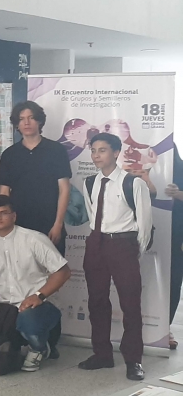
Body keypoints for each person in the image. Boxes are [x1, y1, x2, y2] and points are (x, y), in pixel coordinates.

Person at [0, 195, 70, 372]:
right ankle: (24, 342)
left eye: (3, 213)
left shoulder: (34, 239)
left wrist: (38, 295)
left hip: (40, 305)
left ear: (14, 216)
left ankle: (40, 348)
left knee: (28, 320)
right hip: (6, 307)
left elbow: (63, 272)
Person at [78, 133, 151, 381]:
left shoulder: (133, 183)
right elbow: (92, 214)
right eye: (93, 150)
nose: (96, 155)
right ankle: (102, 354)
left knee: (130, 303)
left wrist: (132, 250)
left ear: (116, 153)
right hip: (96, 243)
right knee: (97, 301)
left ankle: (133, 360)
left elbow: (144, 223)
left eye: (102, 150)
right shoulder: (89, 183)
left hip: (123, 244)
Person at [0, 101, 72, 254]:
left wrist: (58, 224)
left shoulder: (56, 150)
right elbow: (4, 193)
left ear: (39, 121)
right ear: (17, 124)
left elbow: (64, 190)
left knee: (53, 267)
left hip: (50, 223)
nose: (26, 122)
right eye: (21, 119)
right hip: (19, 224)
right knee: (20, 267)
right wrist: (6, 225)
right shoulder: (9, 154)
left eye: (31, 117)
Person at [168, 146, 183, 350]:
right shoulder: (141, 168)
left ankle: (164, 327)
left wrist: (178, 194)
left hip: (177, 235)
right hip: (148, 233)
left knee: (173, 282)